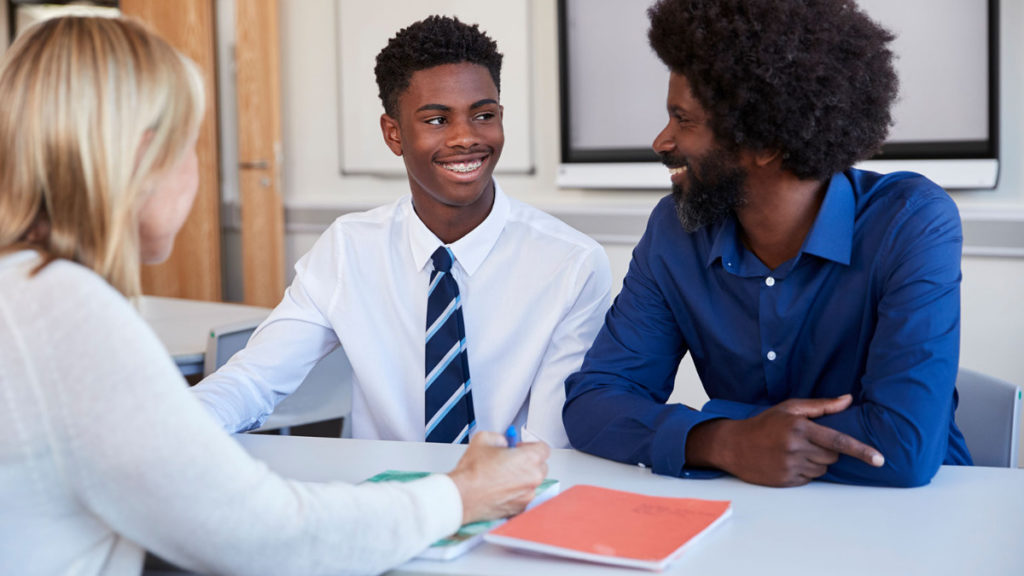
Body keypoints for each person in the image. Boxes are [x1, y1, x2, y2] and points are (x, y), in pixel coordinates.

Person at [0, 16, 550, 576]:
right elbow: (266, 535)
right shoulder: (66, 313)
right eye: (192, 145)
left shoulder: (28, 294)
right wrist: (459, 496)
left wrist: (172, 429)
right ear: (142, 158)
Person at [563, 0, 971, 488]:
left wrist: (732, 431)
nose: (662, 141)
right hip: (749, 516)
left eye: (683, 120)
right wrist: (724, 442)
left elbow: (902, 446)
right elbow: (594, 402)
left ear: (765, 142)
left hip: (920, 522)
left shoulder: (911, 222)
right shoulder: (676, 231)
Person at [191, 16, 611, 446]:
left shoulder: (571, 264)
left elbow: (548, 444)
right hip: (386, 500)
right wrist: (171, 431)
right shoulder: (348, 249)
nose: (466, 138)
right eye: (436, 121)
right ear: (394, 134)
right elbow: (254, 379)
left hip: (514, 498)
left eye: (483, 115)